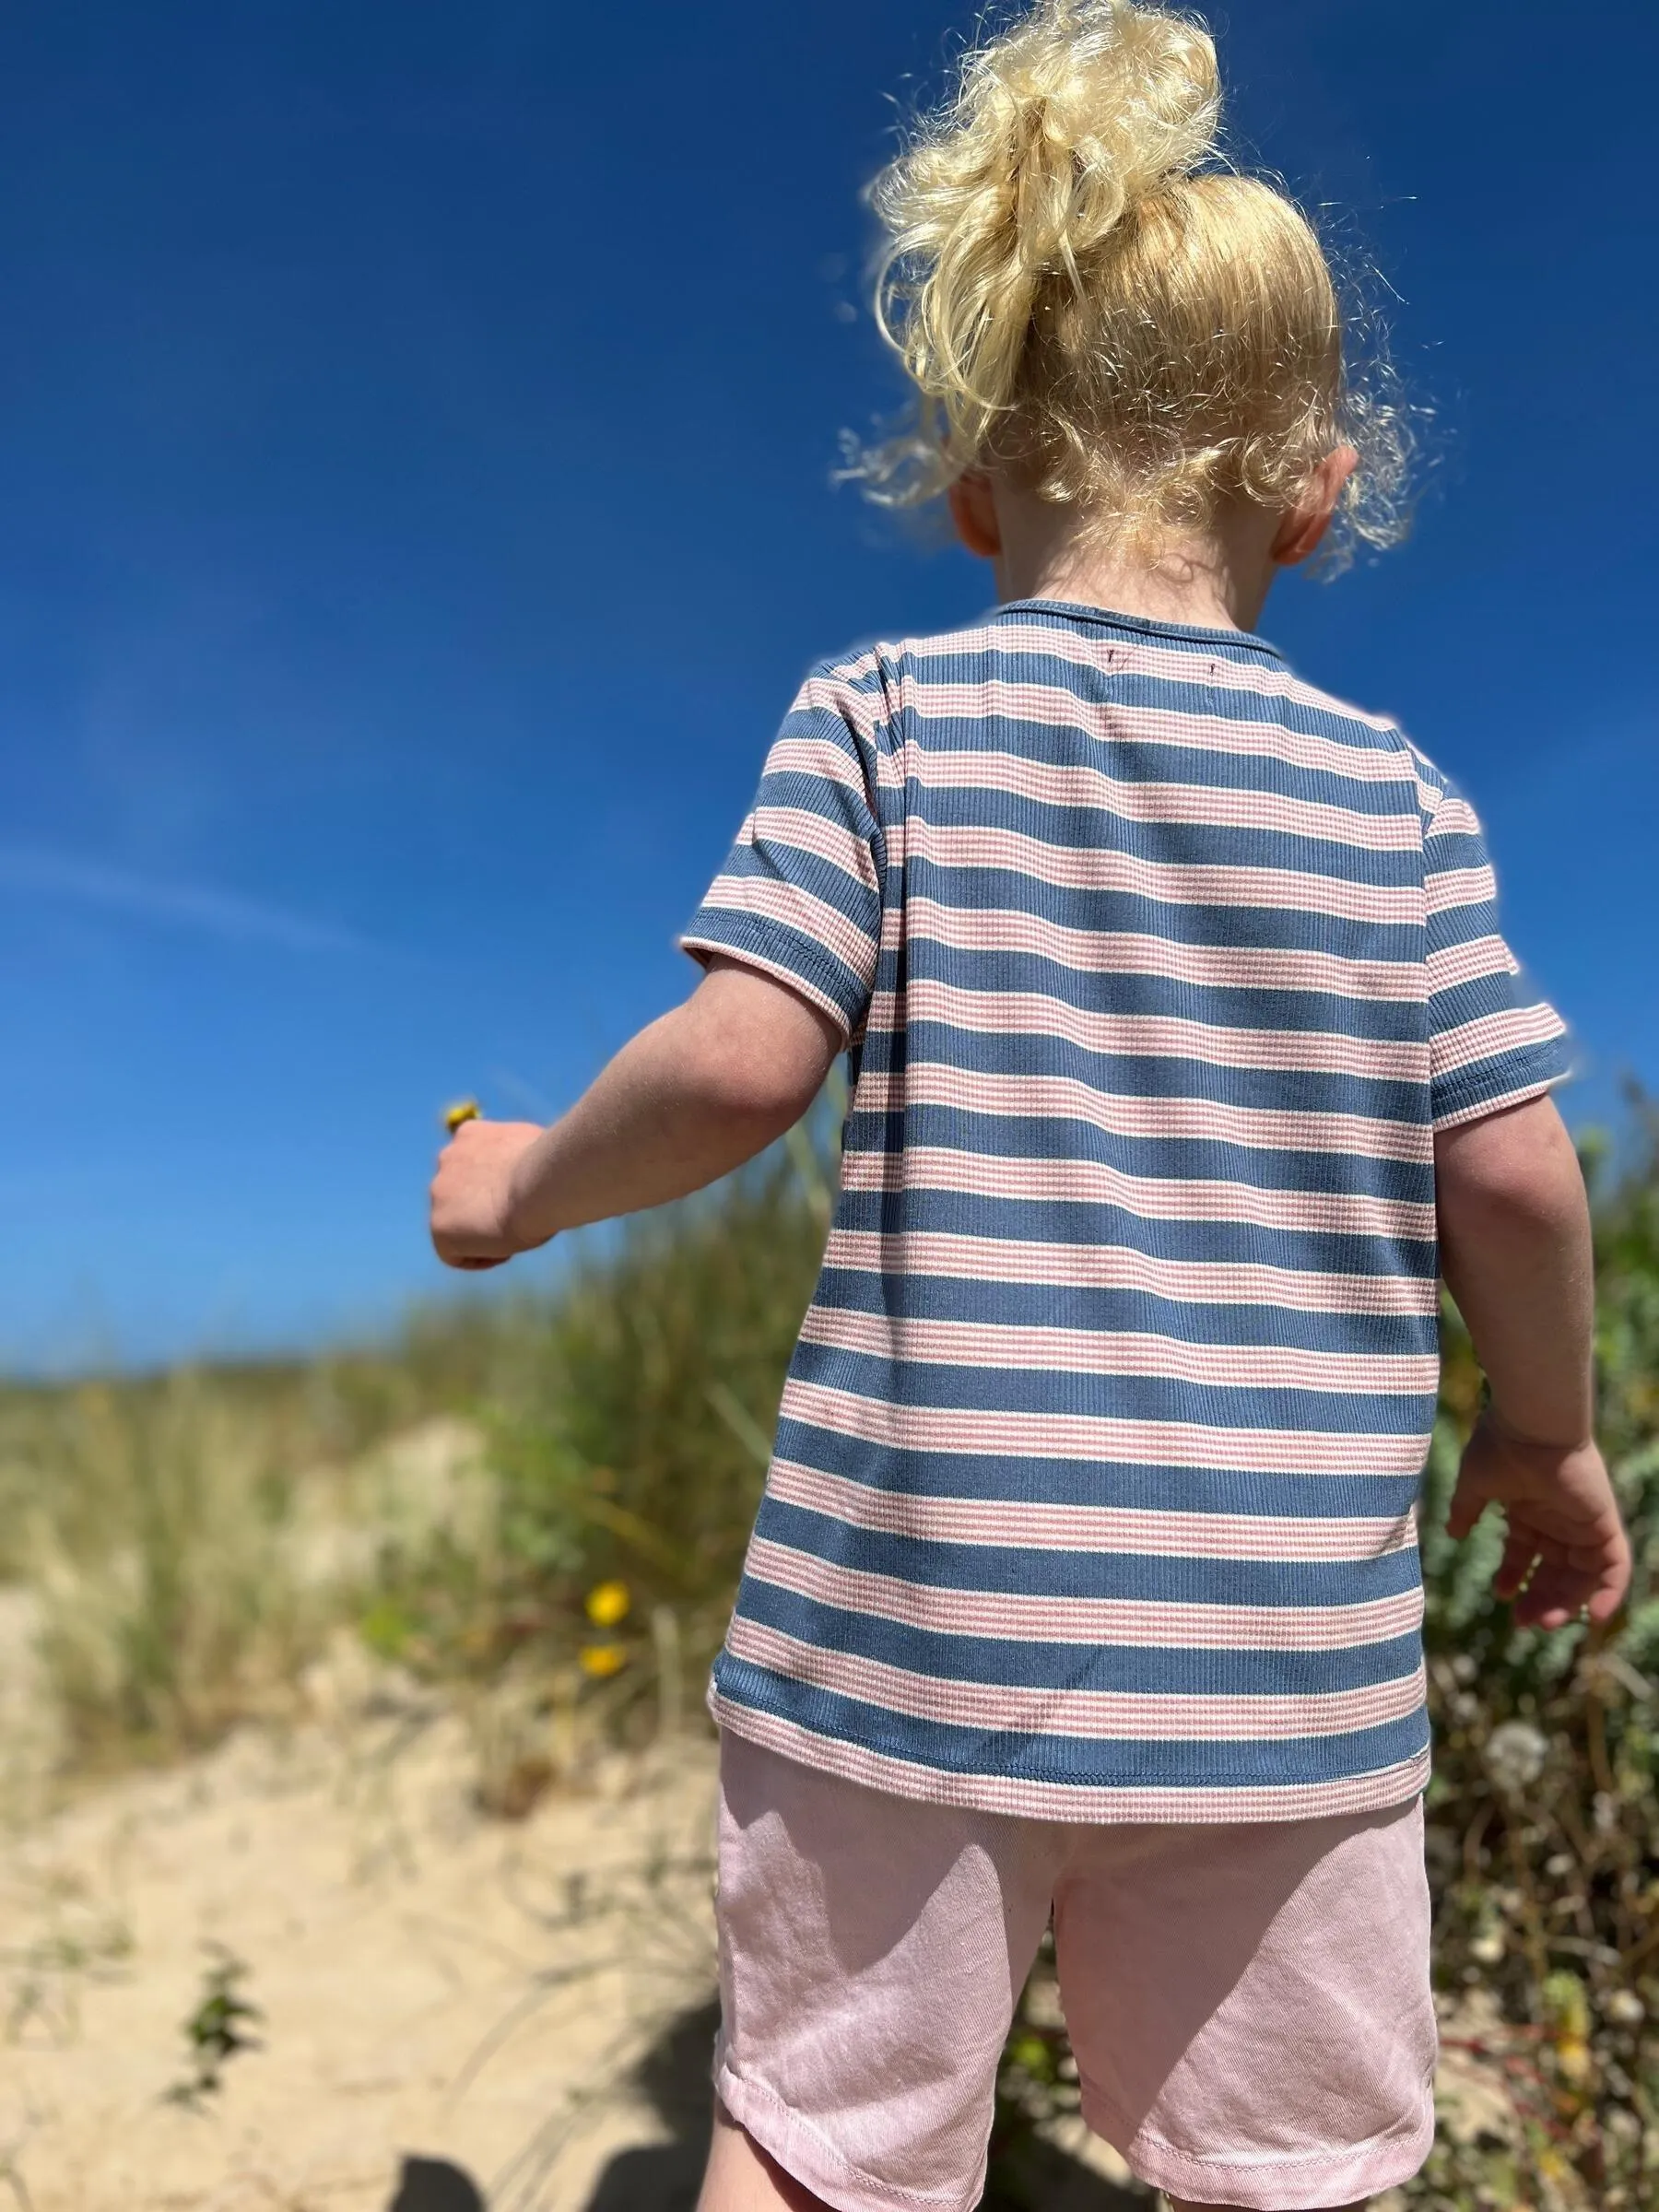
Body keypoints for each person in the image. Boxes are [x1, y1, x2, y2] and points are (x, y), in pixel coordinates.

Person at [428, 3, 1630, 2205]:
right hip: (1282, 1696)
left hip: (904, 1641)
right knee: (1292, 2180)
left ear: (975, 485)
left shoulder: (886, 714)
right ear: (1323, 485)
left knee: (814, 2154)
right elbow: (1523, 1182)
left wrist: (517, 1188)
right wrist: (1542, 1432)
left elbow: (734, 1062)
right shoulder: (1404, 806)